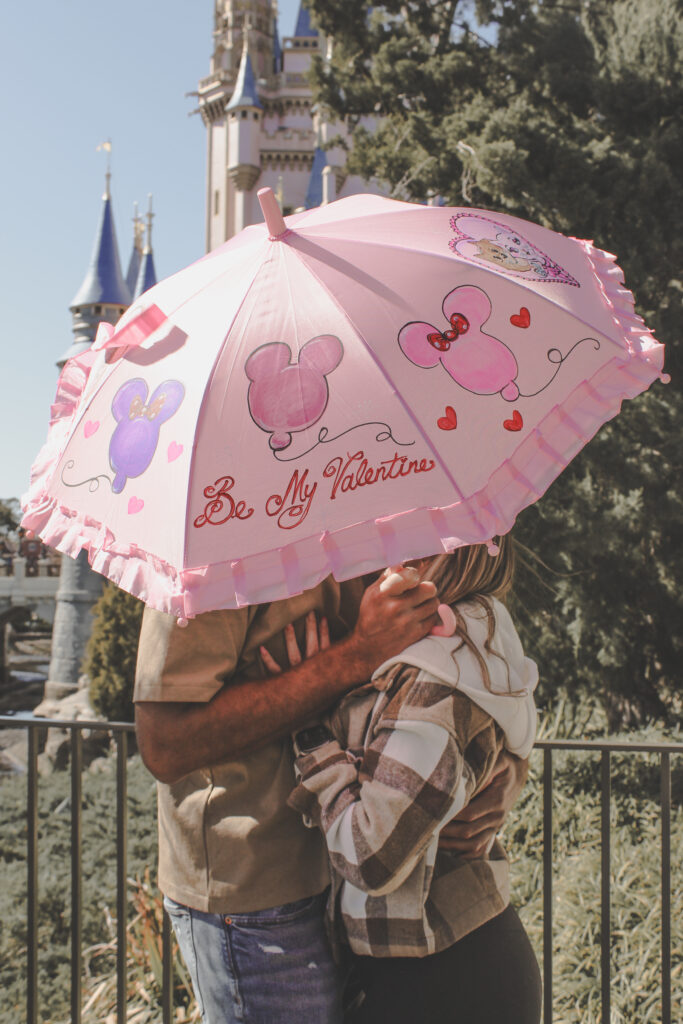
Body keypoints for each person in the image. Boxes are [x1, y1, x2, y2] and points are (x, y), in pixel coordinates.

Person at [134, 569, 529, 1024]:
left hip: (361, 901)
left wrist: (505, 766)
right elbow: (165, 744)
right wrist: (352, 658)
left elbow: (472, 674)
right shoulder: (204, 550)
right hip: (260, 899)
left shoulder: (366, 513)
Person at [269, 540, 542, 1024]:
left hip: (445, 979)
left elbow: (370, 856)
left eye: (406, 542)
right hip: (441, 967)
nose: (381, 558)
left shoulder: (438, 676)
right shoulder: (476, 637)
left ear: (442, 558)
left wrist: (311, 732)